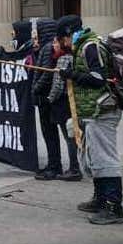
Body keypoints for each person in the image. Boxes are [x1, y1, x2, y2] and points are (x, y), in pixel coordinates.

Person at [57, 15, 123, 224]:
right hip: (92, 112)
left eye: (62, 39)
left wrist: (72, 75)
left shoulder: (90, 47)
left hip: (102, 112)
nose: (62, 44)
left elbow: (98, 79)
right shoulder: (84, 47)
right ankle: (100, 199)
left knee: (105, 158)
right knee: (94, 158)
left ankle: (114, 207)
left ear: (68, 35)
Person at [32, 18, 81, 181]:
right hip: (54, 99)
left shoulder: (49, 49)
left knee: (60, 135)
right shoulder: (54, 48)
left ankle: (61, 166)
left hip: (52, 100)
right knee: (65, 134)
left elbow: (48, 74)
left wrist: (36, 90)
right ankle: (64, 166)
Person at [46, 36, 81, 180]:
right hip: (70, 101)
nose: (53, 45)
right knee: (73, 135)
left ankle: (74, 168)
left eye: (55, 42)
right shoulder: (73, 57)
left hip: (63, 103)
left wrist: (50, 98)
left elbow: (58, 84)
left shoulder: (63, 59)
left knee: (69, 137)